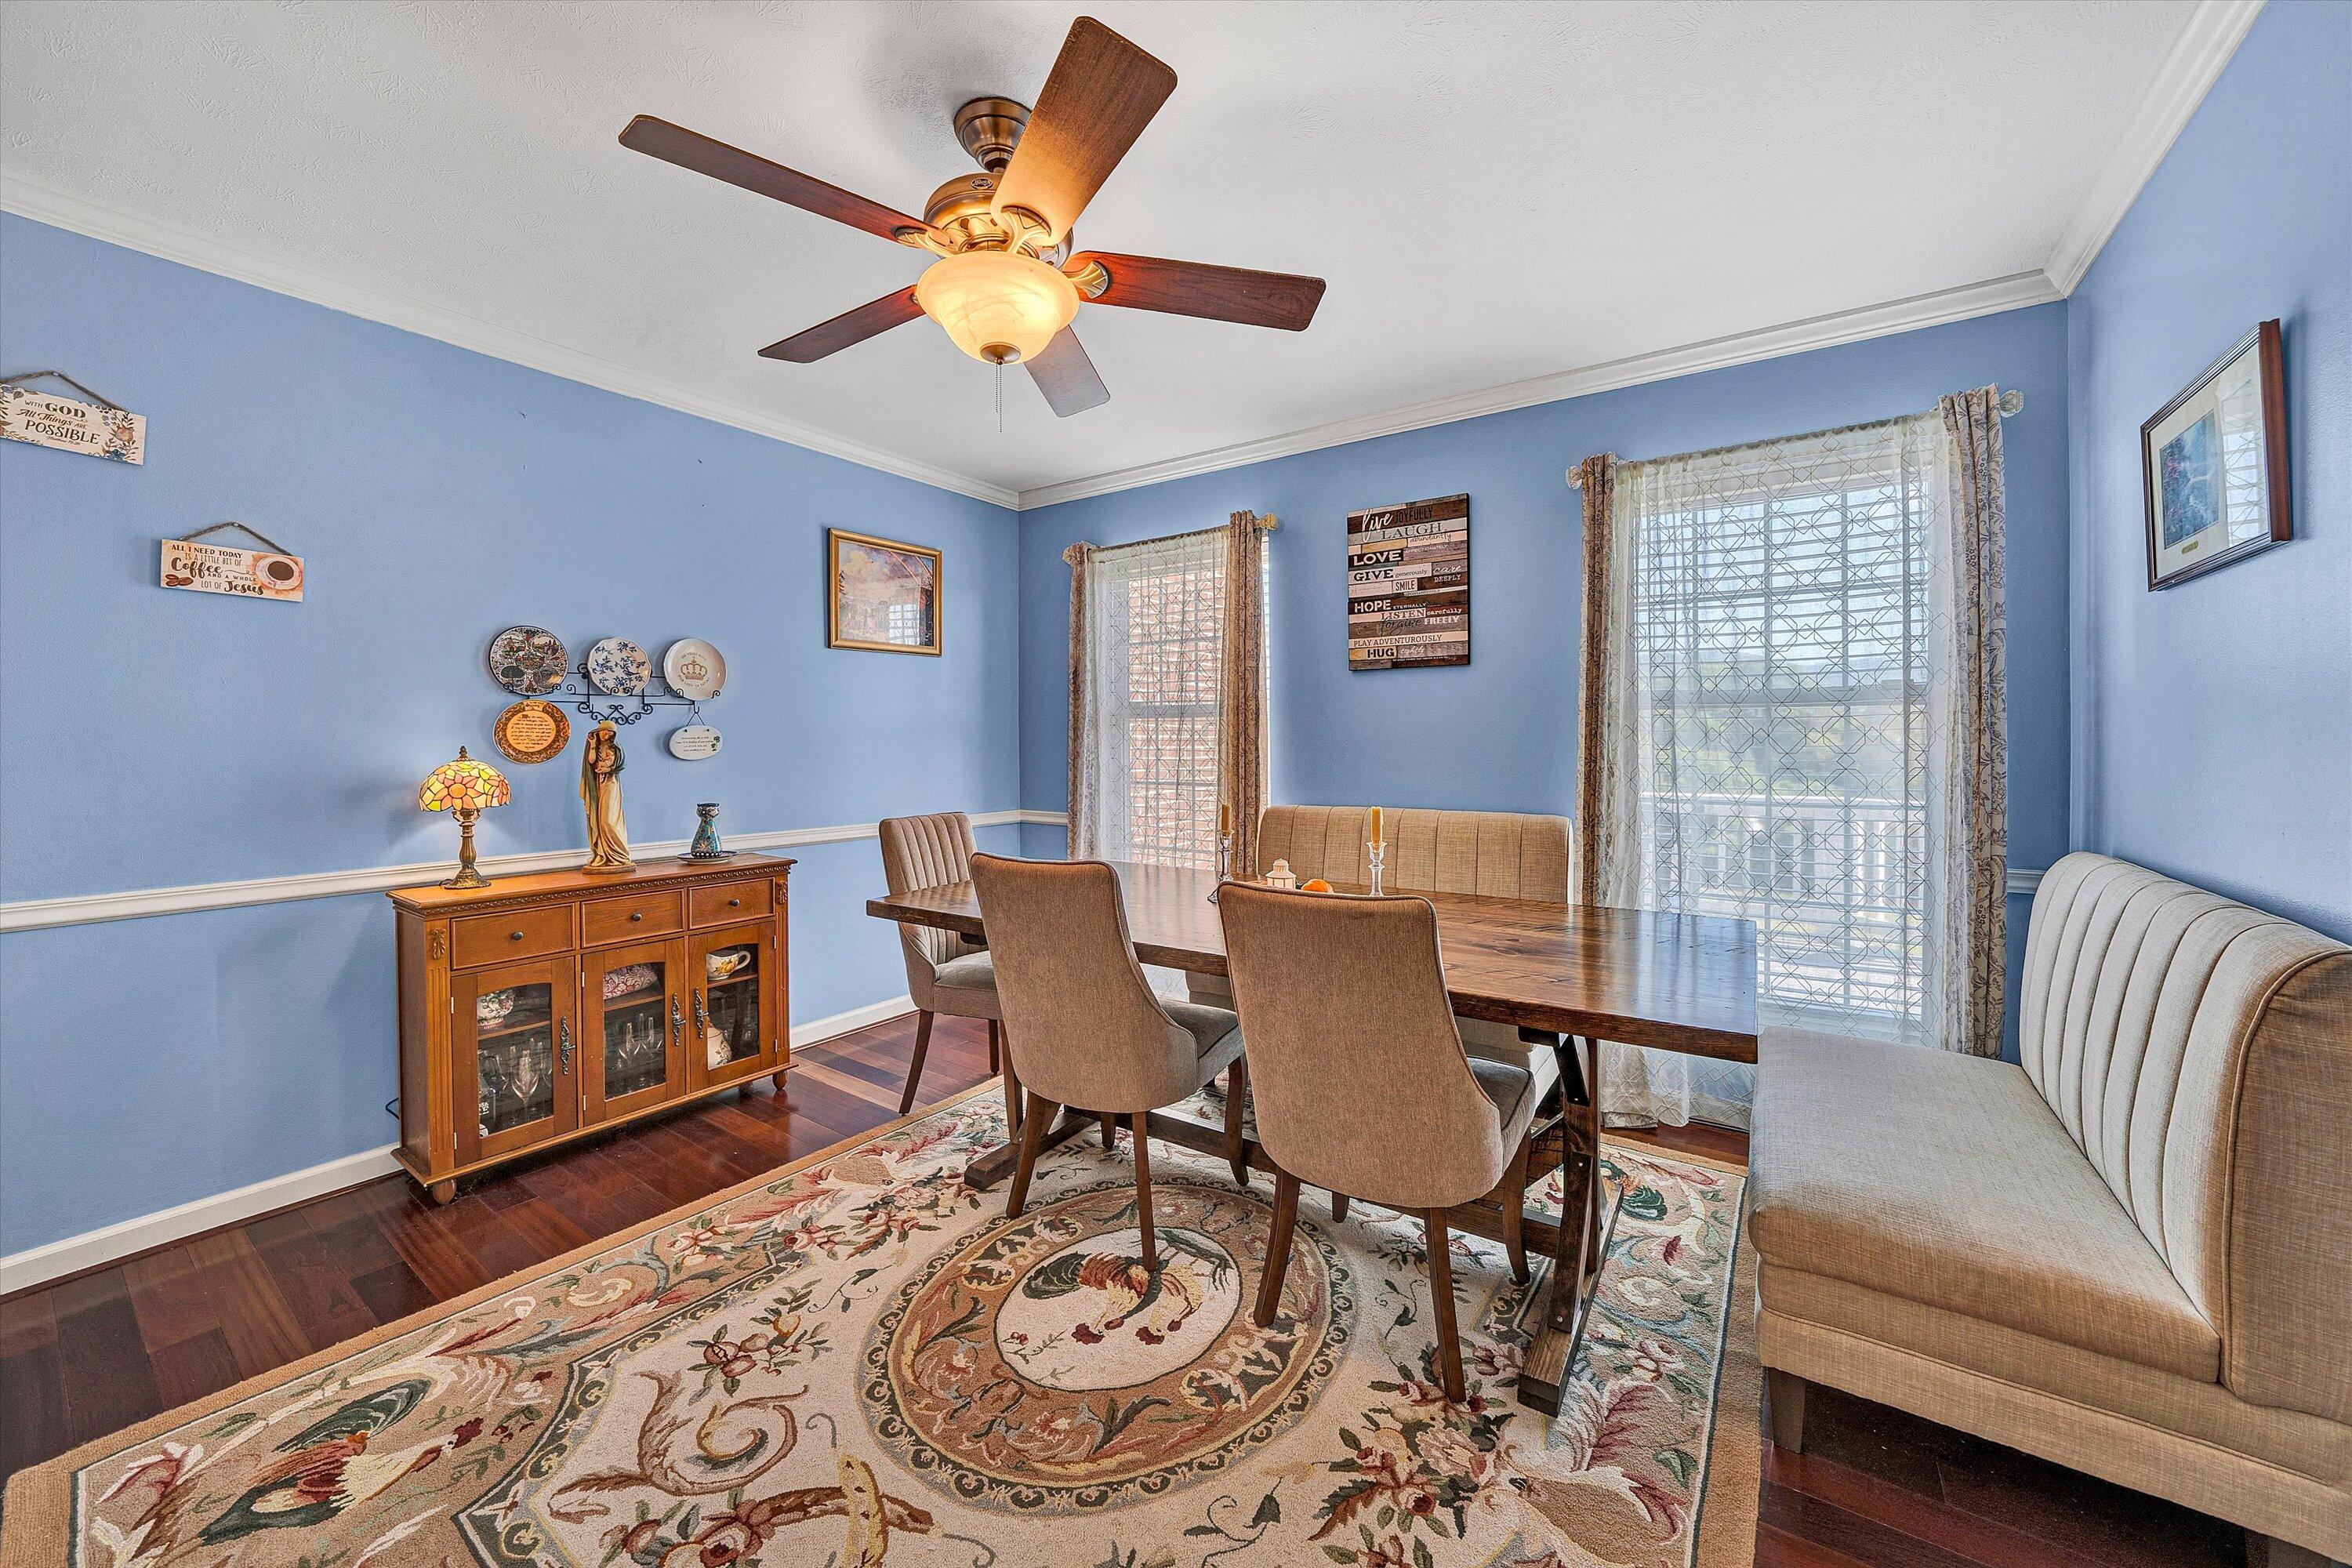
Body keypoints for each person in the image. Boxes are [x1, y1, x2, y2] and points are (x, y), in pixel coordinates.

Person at [579, 721, 632, 872]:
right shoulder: (596, 746)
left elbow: (616, 764)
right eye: (603, 732)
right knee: (599, 819)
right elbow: (591, 761)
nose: (606, 735)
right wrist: (593, 744)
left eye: (609, 733)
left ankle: (619, 855)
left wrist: (608, 768)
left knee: (608, 820)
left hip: (610, 783)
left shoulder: (615, 749)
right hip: (598, 784)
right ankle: (603, 854)